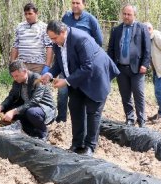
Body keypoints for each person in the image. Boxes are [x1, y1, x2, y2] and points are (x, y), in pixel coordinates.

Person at [41, 21, 120, 156]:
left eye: (54, 38)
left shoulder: (81, 39)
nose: (52, 41)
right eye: (51, 38)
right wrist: (49, 74)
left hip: (95, 78)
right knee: (75, 108)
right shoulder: (57, 43)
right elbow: (60, 63)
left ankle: (90, 147)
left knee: (93, 112)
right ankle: (77, 144)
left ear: (63, 32)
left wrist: (66, 81)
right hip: (77, 79)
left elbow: (88, 66)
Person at [58, 0, 104, 123]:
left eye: (78, 3)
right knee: (62, 92)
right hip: (67, 61)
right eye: (73, 3)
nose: (75, 5)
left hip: (83, 64)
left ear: (84, 4)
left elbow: (99, 42)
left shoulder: (90, 20)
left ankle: (82, 120)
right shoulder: (66, 18)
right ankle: (61, 120)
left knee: (81, 94)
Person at [107, 4, 151, 127]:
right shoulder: (116, 30)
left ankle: (141, 119)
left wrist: (145, 65)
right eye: (124, 14)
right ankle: (130, 118)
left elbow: (147, 49)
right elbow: (110, 49)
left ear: (134, 15)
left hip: (137, 68)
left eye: (129, 14)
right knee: (125, 95)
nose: (126, 17)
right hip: (120, 68)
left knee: (139, 94)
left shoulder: (142, 28)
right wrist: (111, 65)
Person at [0, 61, 55, 140]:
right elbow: (11, 97)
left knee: (31, 112)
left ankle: (44, 132)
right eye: (13, 77)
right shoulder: (17, 82)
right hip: (27, 107)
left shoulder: (37, 79)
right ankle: (30, 131)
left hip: (44, 108)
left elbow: (34, 101)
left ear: (25, 71)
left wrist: (14, 111)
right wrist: (2, 106)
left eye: (17, 76)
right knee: (7, 110)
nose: (15, 79)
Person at [10, 3, 53, 74]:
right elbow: (15, 46)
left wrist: (47, 66)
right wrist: (12, 63)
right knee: (22, 85)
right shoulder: (20, 27)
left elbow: (49, 47)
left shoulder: (44, 27)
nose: (27, 16)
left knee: (37, 85)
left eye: (30, 14)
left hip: (38, 65)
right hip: (22, 65)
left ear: (36, 13)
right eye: (26, 14)